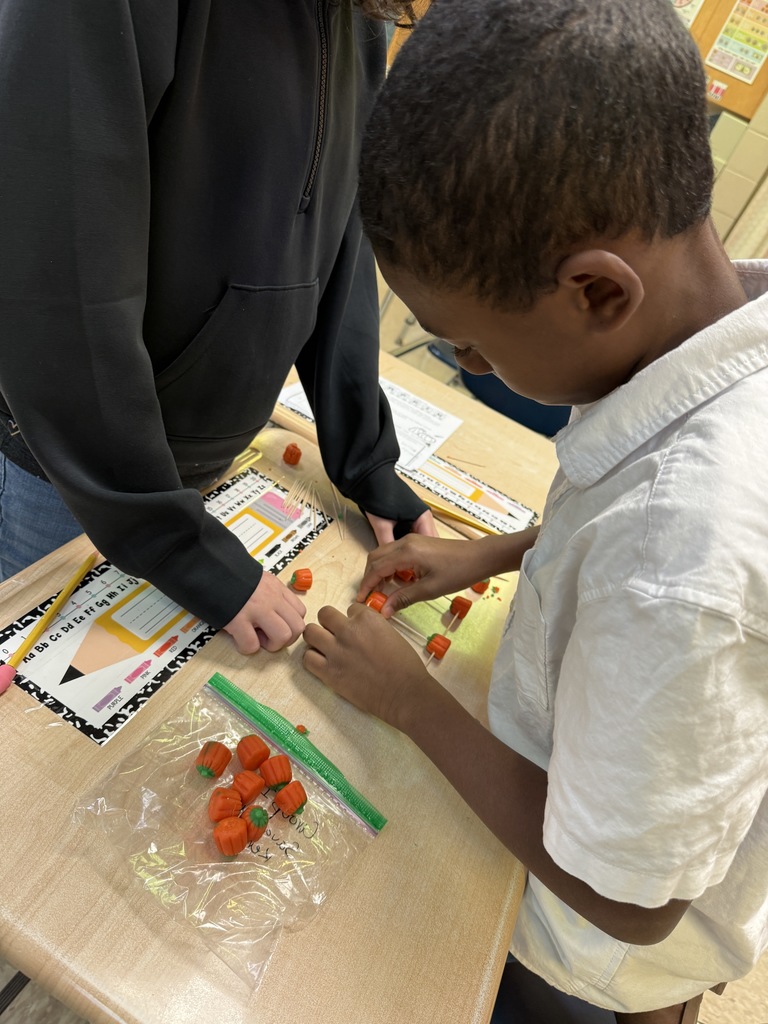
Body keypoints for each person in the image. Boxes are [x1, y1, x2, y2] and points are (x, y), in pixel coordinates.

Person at [301, 1, 768, 1021]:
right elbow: (637, 508)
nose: (468, 364)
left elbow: (631, 897)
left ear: (598, 293)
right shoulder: (718, 351)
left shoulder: (676, 557)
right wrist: (504, 552)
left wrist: (414, 702)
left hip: (580, 946)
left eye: (470, 343)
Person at [0, 0, 434, 654]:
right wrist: (180, 547)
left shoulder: (357, 12)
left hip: (203, 477)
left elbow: (339, 233)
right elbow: (54, 274)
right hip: (77, 477)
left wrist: (367, 459)